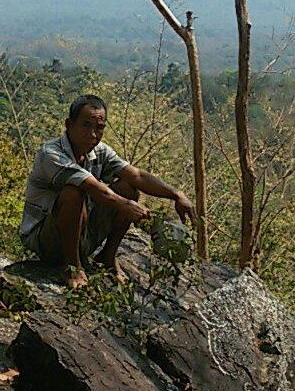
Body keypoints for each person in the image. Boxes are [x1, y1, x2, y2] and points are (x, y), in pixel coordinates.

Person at [19, 94, 195, 288]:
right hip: (44, 239)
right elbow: (91, 187)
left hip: (83, 232)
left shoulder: (100, 151)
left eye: (99, 128)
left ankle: (107, 256)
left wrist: (176, 195)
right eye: (86, 125)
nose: (93, 134)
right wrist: (127, 206)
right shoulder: (51, 154)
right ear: (69, 125)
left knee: (128, 187)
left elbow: (136, 175)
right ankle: (71, 266)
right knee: (73, 193)